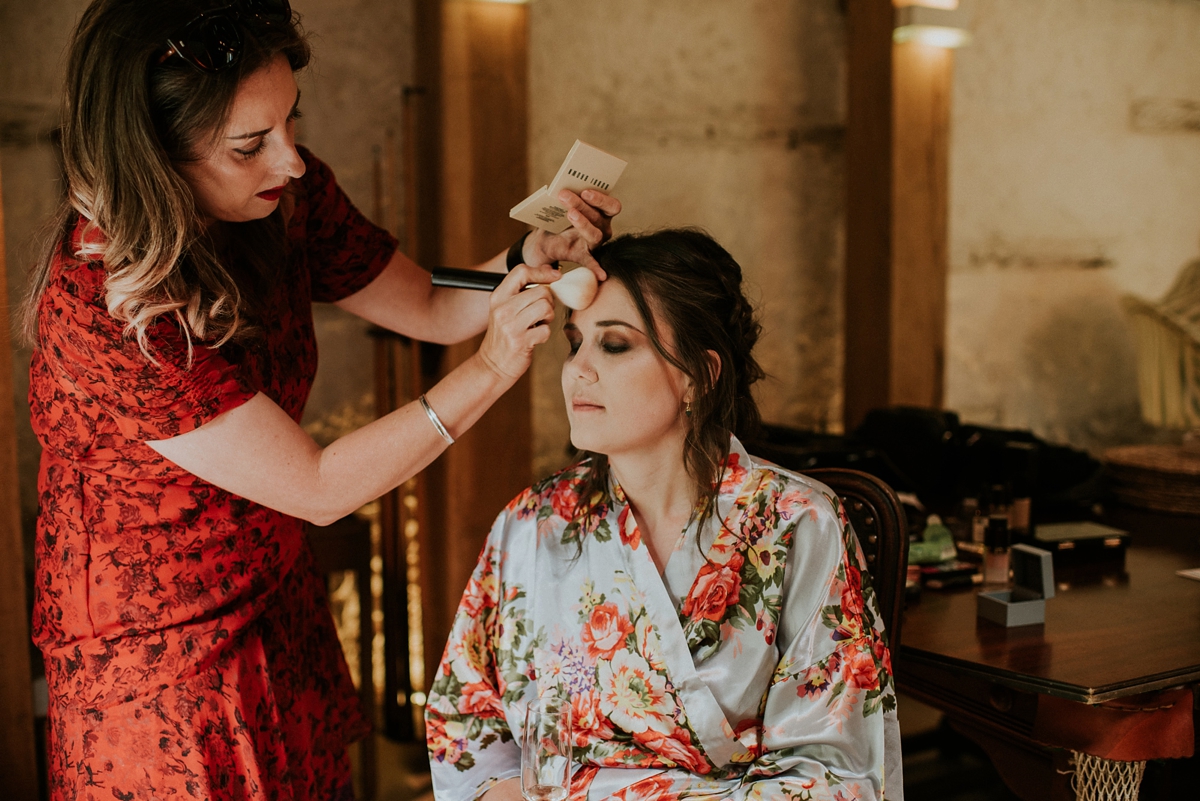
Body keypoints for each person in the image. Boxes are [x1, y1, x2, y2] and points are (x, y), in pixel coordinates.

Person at [23, 1, 619, 798]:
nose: (292, 160)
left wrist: (525, 257)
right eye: (251, 145)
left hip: (277, 599)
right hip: (160, 667)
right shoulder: (100, 305)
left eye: (289, 123)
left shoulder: (284, 200)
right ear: (153, 156)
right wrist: (494, 368)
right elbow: (319, 485)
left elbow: (433, 309)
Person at [426, 229, 903, 801]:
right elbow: (466, 724)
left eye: (616, 345)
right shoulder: (532, 523)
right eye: (575, 343)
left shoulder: (798, 521)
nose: (577, 369)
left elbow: (835, 766)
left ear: (698, 377)